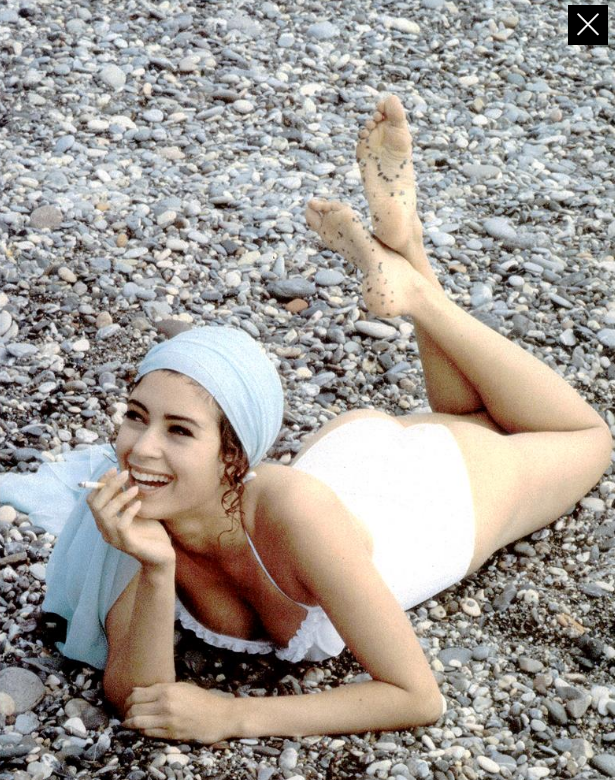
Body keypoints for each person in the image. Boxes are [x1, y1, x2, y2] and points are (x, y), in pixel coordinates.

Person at [0, 96, 611, 744]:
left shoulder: (292, 511)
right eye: (135, 417)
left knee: (589, 437)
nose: (141, 449)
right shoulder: (142, 510)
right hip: (349, 467)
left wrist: (235, 716)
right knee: (466, 410)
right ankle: (405, 255)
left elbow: (417, 696)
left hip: (438, 490)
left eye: (178, 430)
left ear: (234, 457)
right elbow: (140, 697)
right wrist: (154, 569)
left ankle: (419, 291)